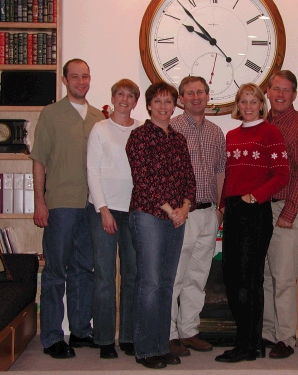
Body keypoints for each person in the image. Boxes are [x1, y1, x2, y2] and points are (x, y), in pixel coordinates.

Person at [31, 58, 105, 358]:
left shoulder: (100, 117)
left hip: (91, 205)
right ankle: (51, 337)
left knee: (83, 270)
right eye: (75, 77)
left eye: (85, 76)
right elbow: (39, 160)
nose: (81, 81)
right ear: (64, 80)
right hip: (60, 204)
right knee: (55, 272)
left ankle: (80, 330)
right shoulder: (51, 114)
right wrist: (39, 201)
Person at [215, 83, 289, 363]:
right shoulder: (231, 135)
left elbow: (282, 175)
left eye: (253, 101)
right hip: (233, 209)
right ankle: (245, 341)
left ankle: (251, 344)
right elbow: (230, 177)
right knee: (232, 278)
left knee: (249, 280)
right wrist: (223, 207)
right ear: (238, 104)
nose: (248, 106)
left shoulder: (271, 132)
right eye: (243, 101)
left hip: (254, 212)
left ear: (261, 104)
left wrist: (254, 197)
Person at [126, 81, 196, 370]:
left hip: (176, 218)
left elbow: (189, 180)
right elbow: (144, 180)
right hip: (149, 217)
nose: (164, 107)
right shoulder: (139, 137)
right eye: (158, 101)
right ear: (149, 105)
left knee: (167, 284)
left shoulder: (179, 139)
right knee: (150, 283)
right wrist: (171, 210)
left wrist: (185, 208)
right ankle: (144, 349)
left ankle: (160, 344)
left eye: (168, 102)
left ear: (174, 105)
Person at [168, 76, 226, 357]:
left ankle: (189, 331)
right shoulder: (172, 128)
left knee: (198, 277)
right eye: (189, 93)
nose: (195, 97)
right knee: (175, 276)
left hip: (208, 214)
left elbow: (220, 172)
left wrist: (220, 208)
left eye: (200, 92)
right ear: (181, 98)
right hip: (183, 214)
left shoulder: (217, 132)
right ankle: (168, 334)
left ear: (207, 95)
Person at [86, 79, 142, 359]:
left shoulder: (142, 129)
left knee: (132, 276)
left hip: (134, 212)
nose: (124, 99)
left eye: (130, 95)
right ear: (113, 97)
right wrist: (103, 208)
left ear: (135, 101)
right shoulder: (100, 129)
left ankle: (129, 337)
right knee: (106, 276)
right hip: (103, 211)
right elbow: (92, 171)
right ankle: (105, 338)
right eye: (120, 94)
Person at [263, 70, 298, 358]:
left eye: (286, 90)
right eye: (276, 89)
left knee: (283, 278)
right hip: (262, 210)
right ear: (268, 91)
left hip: (286, 209)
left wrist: (289, 212)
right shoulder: (261, 123)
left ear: (294, 95)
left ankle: (286, 339)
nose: (280, 94)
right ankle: (269, 333)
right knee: (267, 277)